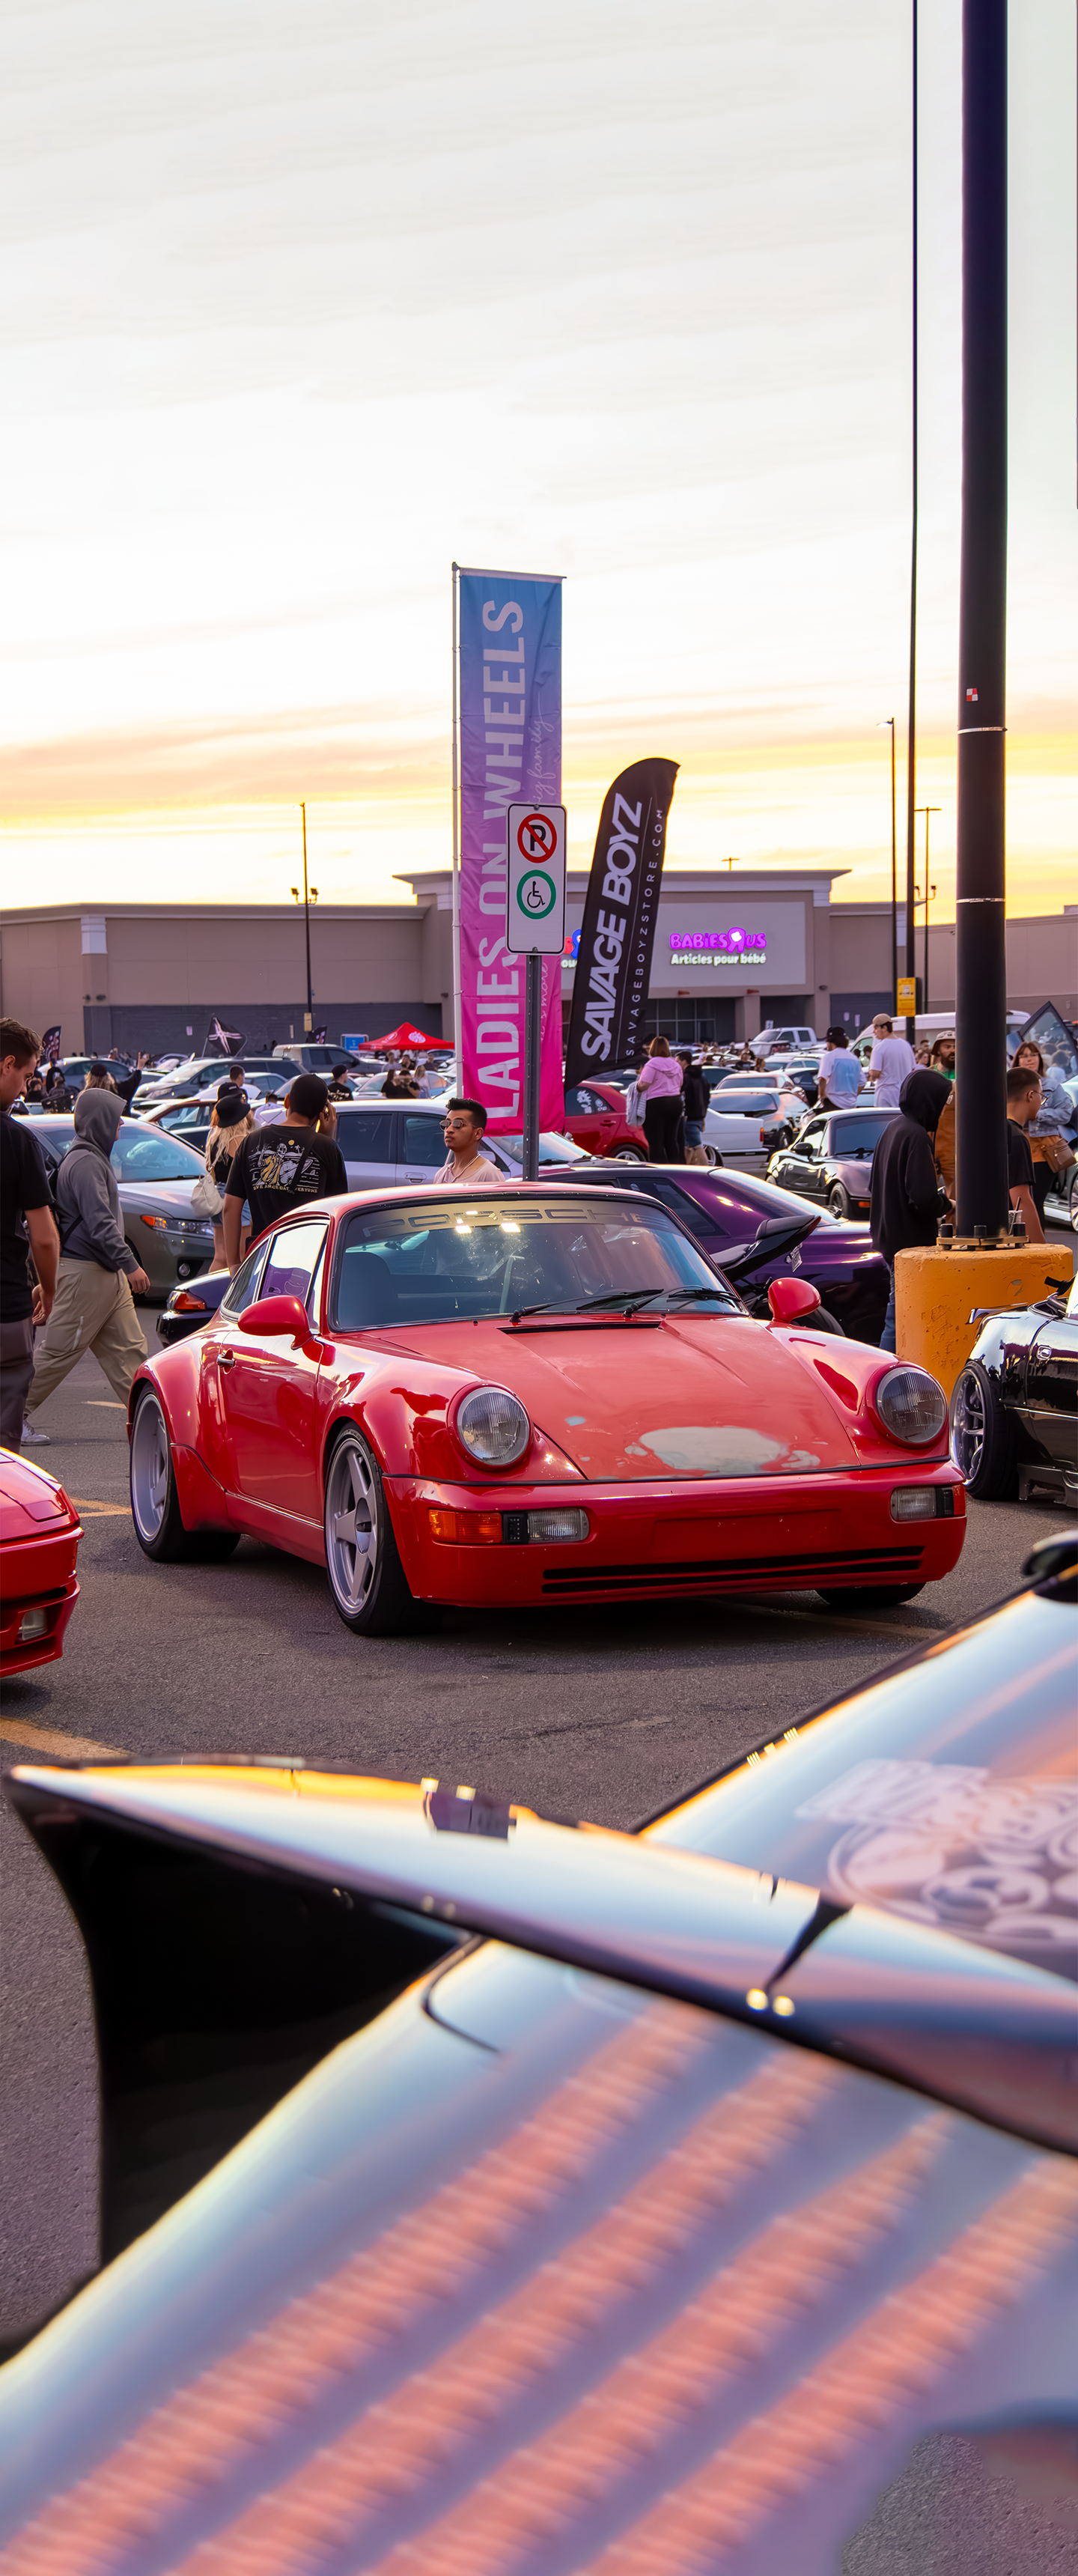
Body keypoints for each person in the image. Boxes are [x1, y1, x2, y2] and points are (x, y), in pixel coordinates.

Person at [22, 1087, 150, 1443]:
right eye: (115, 1117)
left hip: (101, 1275)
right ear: (100, 1121)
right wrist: (130, 1265)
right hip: (89, 1274)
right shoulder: (87, 1162)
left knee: (130, 1353)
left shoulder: (87, 1157)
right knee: (59, 1352)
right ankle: (11, 1414)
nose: (121, 1123)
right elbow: (100, 1223)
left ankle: (151, 1419)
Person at [0, 1020, 60, 1452]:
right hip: (5, 1305)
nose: (24, 1089)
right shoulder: (19, 1141)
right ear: (6, 1065)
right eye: (24, 1077)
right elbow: (43, 1237)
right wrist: (50, 1289)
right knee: (5, 1452)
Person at [222, 1074, 348, 1270]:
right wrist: (327, 1138)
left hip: (262, 1259)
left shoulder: (251, 1142)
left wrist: (233, 1263)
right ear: (324, 1111)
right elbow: (337, 1212)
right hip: (310, 1261)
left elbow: (230, 1207)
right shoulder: (328, 1149)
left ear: (287, 1100)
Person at [868, 1069, 951, 1353]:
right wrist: (948, 1205)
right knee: (899, 1314)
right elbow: (922, 1198)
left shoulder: (893, 1128)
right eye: (944, 1100)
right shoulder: (916, 1135)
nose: (944, 1107)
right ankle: (884, 1373)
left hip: (887, 1235)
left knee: (899, 1311)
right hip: (908, 1241)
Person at [1013, 1039, 1075, 1228]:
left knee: (1035, 1199)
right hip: (1015, 1146)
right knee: (1014, 1202)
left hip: (1043, 1150)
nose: (1029, 1059)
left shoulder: (1052, 1085)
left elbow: (1065, 1113)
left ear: (1040, 1059)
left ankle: (1037, 1247)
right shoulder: (1008, 1083)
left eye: (1033, 1055)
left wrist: (1037, 1113)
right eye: (1024, 1056)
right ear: (1017, 1060)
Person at [204, 1087, 255, 1271]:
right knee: (241, 1256)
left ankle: (210, 1293)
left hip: (216, 1195)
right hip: (237, 1200)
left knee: (221, 1255)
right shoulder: (239, 1140)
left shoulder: (214, 1137)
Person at [1006, 1064, 1046, 1242]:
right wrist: (1043, 1252)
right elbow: (1021, 1200)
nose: (1041, 1103)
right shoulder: (1015, 1137)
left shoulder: (991, 1129)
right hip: (1007, 1237)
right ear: (1031, 1095)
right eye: (1041, 1096)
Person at [636, 1036, 683, 1163]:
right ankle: (676, 1168)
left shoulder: (651, 1064)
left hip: (656, 1103)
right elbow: (680, 1084)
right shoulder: (676, 1064)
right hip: (675, 1102)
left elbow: (644, 1084)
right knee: (671, 1139)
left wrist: (637, 1087)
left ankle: (658, 1169)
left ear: (653, 1048)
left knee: (655, 1140)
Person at [436, 1099, 502, 1188]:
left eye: (458, 1124)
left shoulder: (489, 1174)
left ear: (478, 1134)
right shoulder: (441, 1174)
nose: (449, 1130)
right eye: (447, 1124)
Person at [866, 1014, 916, 1108]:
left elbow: (875, 1073)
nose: (874, 1032)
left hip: (885, 1094)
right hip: (905, 1093)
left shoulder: (879, 1048)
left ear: (884, 1028)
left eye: (875, 1028)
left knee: (885, 1121)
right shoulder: (906, 1045)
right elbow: (913, 1068)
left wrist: (870, 1072)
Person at [817, 1028, 866, 1109]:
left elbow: (822, 1080)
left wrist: (822, 1097)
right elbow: (863, 1082)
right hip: (851, 1106)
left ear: (831, 1042)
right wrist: (853, 1094)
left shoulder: (829, 1057)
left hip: (832, 1103)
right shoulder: (854, 1058)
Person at [677, 1051, 709, 1164]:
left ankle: (706, 1169)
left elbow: (683, 1098)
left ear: (684, 1061)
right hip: (700, 1116)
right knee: (689, 1147)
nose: (677, 1064)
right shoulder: (703, 1078)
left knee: (696, 1146)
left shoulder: (685, 1078)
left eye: (678, 1061)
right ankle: (687, 1168)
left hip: (689, 1117)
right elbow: (707, 1098)